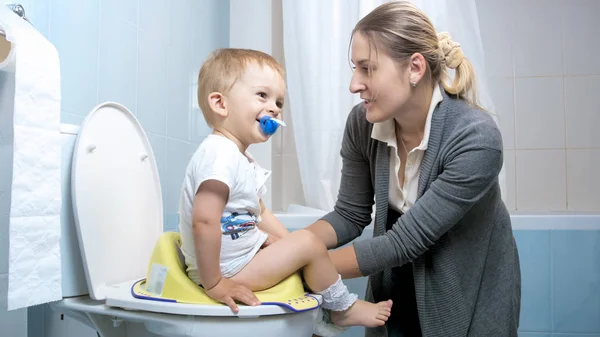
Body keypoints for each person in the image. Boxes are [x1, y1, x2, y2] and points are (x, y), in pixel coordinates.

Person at [305, 2, 522, 337]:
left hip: (465, 293)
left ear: (415, 67)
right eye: (354, 69)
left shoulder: (475, 137)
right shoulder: (362, 125)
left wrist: (304, 268)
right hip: (392, 288)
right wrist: (289, 249)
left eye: (368, 69)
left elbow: (405, 241)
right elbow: (349, 213)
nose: (354, 84)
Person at [177, 48, 393, 330]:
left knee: (304, 245)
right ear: (220, 103)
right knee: (308, 245)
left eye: (279, 101)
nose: (275, 108)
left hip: (238, 261)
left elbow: (259, 210)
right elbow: (204, 221)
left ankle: (318, 324)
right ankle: (342, 310)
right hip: (225, 271)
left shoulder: (239, 157)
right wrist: (215, 282)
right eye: (262, 96)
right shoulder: (219, 156)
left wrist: (291, 242)